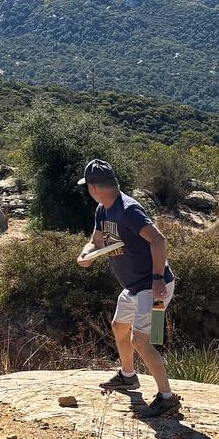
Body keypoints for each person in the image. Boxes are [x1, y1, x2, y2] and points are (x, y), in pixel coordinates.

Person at [76, 159, 181, 419]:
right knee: (119, 325)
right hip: (135, 287)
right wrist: (86, 254)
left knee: (141, 339)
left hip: (153, 286)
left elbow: (158, 240)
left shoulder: (128, 210)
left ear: (94, 187)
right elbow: (95, 240)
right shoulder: (103, 209)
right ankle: (128, 376)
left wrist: (157, 278)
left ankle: (167, 398)